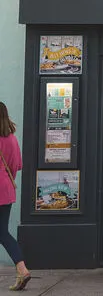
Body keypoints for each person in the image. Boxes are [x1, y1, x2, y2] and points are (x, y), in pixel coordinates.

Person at [0, 102, 29, 291]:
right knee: (2, 231)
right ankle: (22, 269)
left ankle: (22, 268)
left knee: (2, 232)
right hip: (6, 188)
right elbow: (16, 165)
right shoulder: (11, 138)